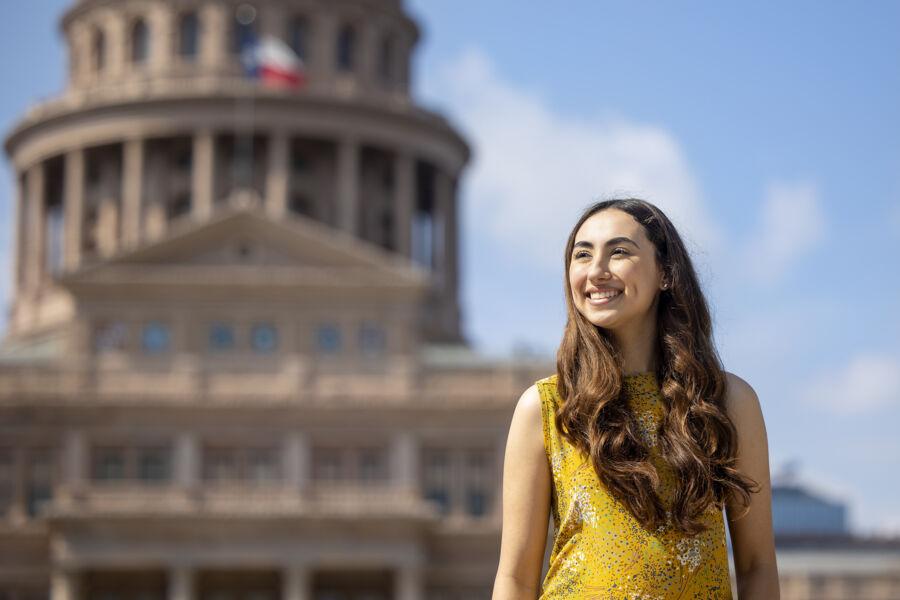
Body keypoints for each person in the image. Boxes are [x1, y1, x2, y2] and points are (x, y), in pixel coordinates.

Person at [492, 199, 779, 599]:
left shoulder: (727, 402)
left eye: (619, 252)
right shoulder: (545, 407)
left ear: (665, 272)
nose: (596, 271)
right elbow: (516, 578)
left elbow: (757, 567)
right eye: (582, 255)